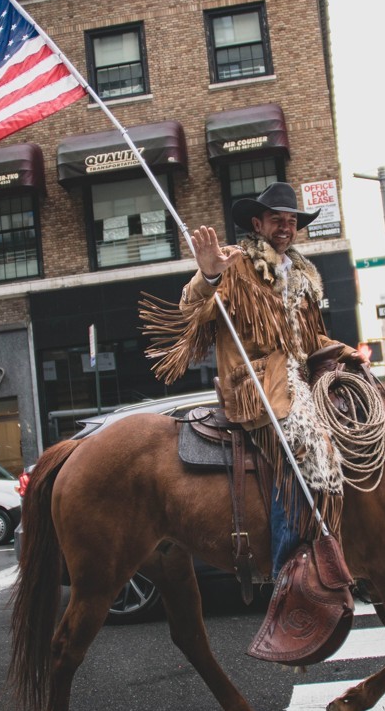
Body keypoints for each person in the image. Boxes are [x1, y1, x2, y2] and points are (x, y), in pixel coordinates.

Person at [141, 182, 366, 574]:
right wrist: (208, 276)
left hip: (300, 381)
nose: (285, 227)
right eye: (276, 219)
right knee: (303, 452)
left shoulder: (302, 276)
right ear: (257, 223)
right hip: (257, 387)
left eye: (291, 221)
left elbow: (312, 340)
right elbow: (190, 308)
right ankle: (288, 570)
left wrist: (352, 355)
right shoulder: (236, 262)